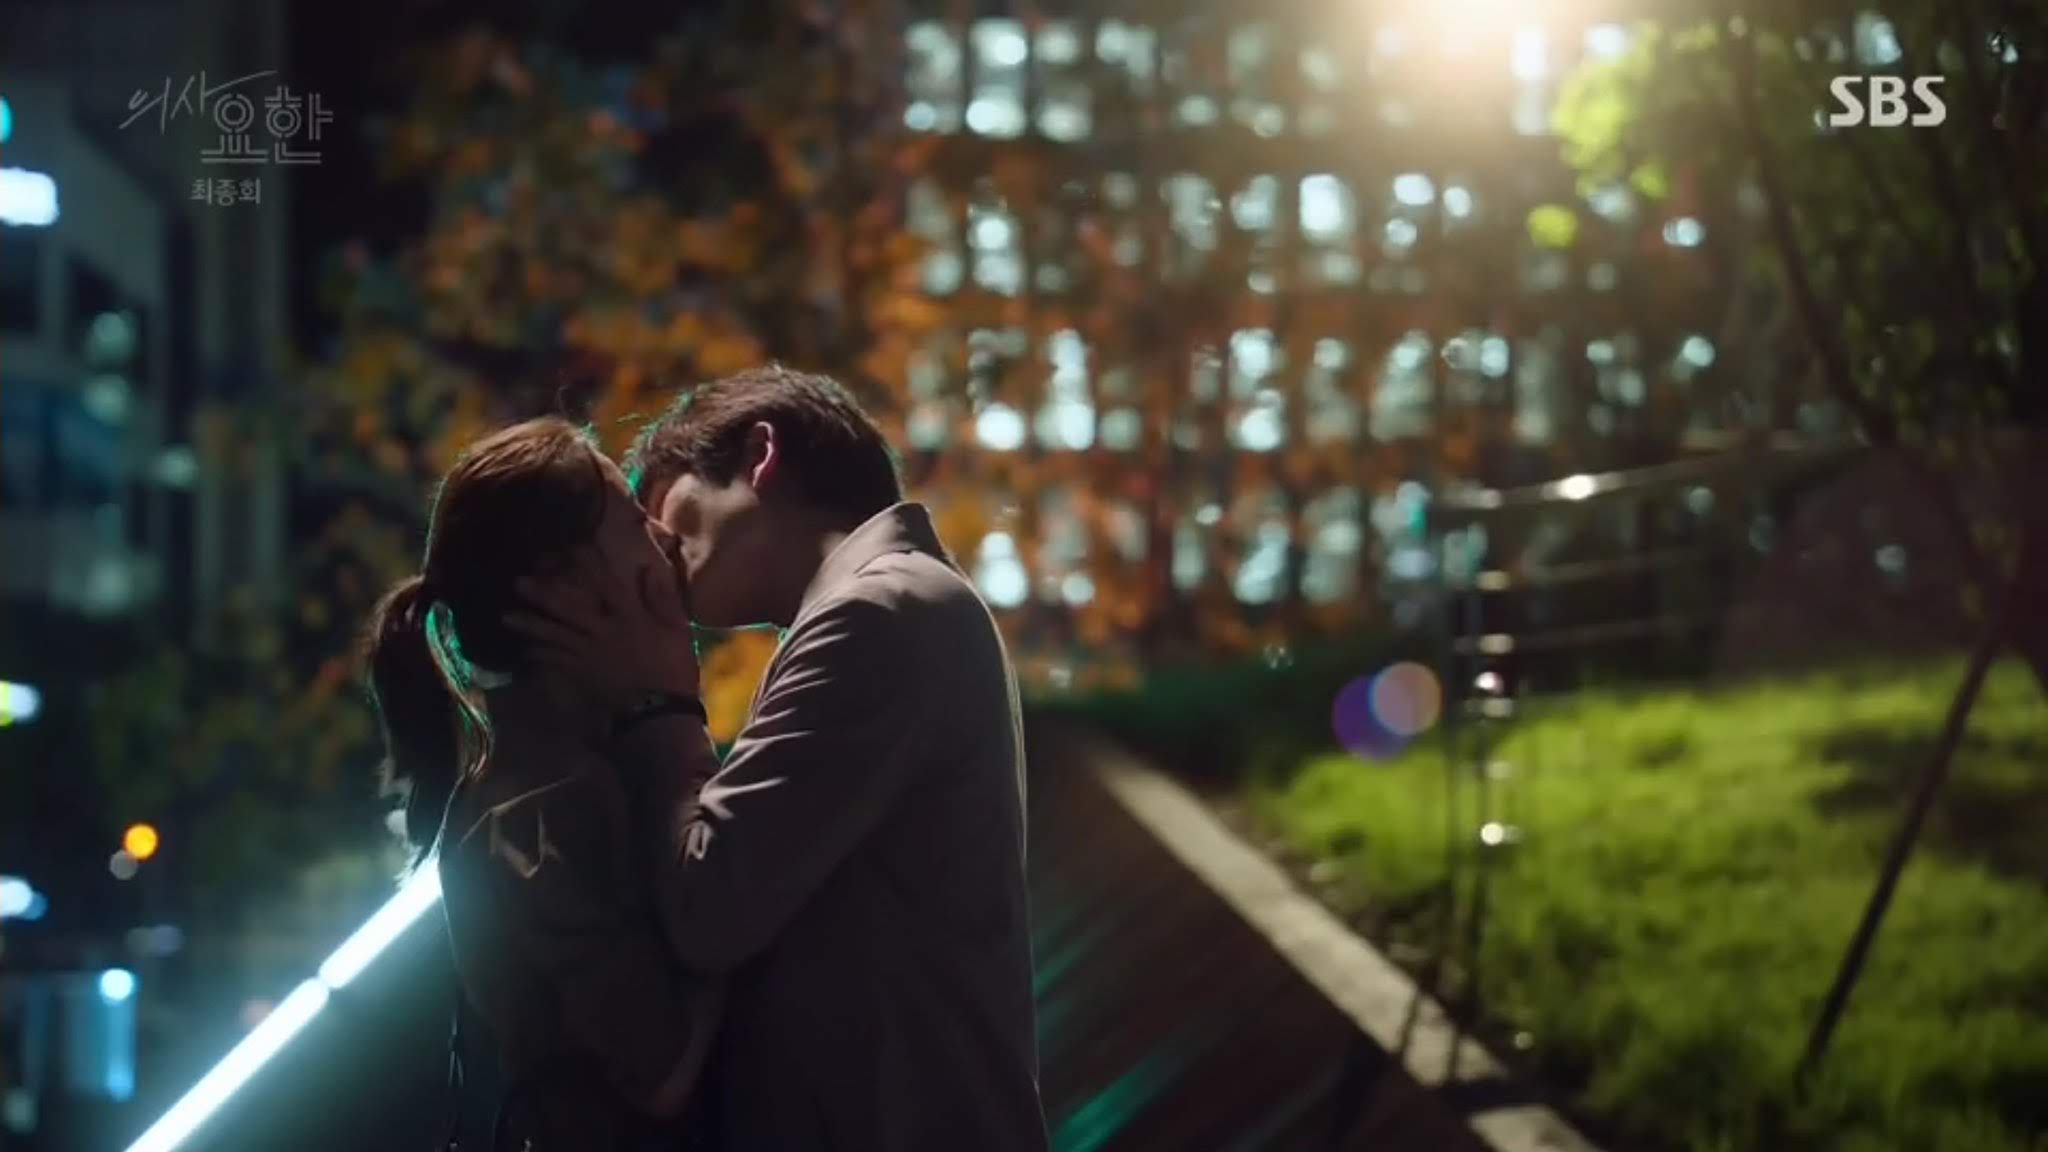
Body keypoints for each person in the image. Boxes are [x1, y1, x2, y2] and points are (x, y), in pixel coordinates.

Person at [510, 366, 1050, 1152]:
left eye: (663, 508)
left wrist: (658, 701)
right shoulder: (893, 604)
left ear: (760, 455)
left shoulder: (876, 612)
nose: (658, 552)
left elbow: (709, 906)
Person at [359, 417, 719, 1151]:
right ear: (564, 588)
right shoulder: (545, 807)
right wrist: (675, 706)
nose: (664, 537)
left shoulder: (551, 780)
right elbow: (662, 1070)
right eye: (632, 521)